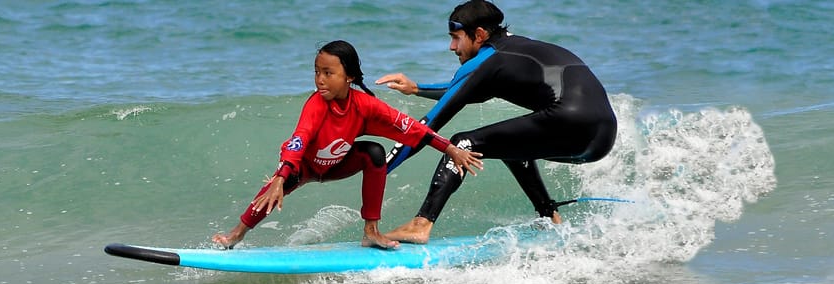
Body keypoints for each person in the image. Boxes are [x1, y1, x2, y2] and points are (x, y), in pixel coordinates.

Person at [375, 0, 617, 244]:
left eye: (456, 37)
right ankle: (550, 216)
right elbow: (467, 89)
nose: (452, 47)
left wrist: (379, 169)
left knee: (462, 144)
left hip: (570, 122)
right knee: (512, 146)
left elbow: (426, 128)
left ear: (479, 35)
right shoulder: (514, 49)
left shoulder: (488, 61)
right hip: (602, 136)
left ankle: (420, 225)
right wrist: (417, 89)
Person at [212, 40, 483, 249]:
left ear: (349, 76)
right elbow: (299, 138)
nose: (320, 79)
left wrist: (450, 149)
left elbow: (410, 127)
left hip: (338, 164)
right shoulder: (316, 105)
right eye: (317, 72)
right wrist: (281, 176)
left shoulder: (364, 106)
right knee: (276, 187)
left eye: (328, 73)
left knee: (374, 153)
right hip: (304, 167)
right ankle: (236, 234)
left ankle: (371, 232)